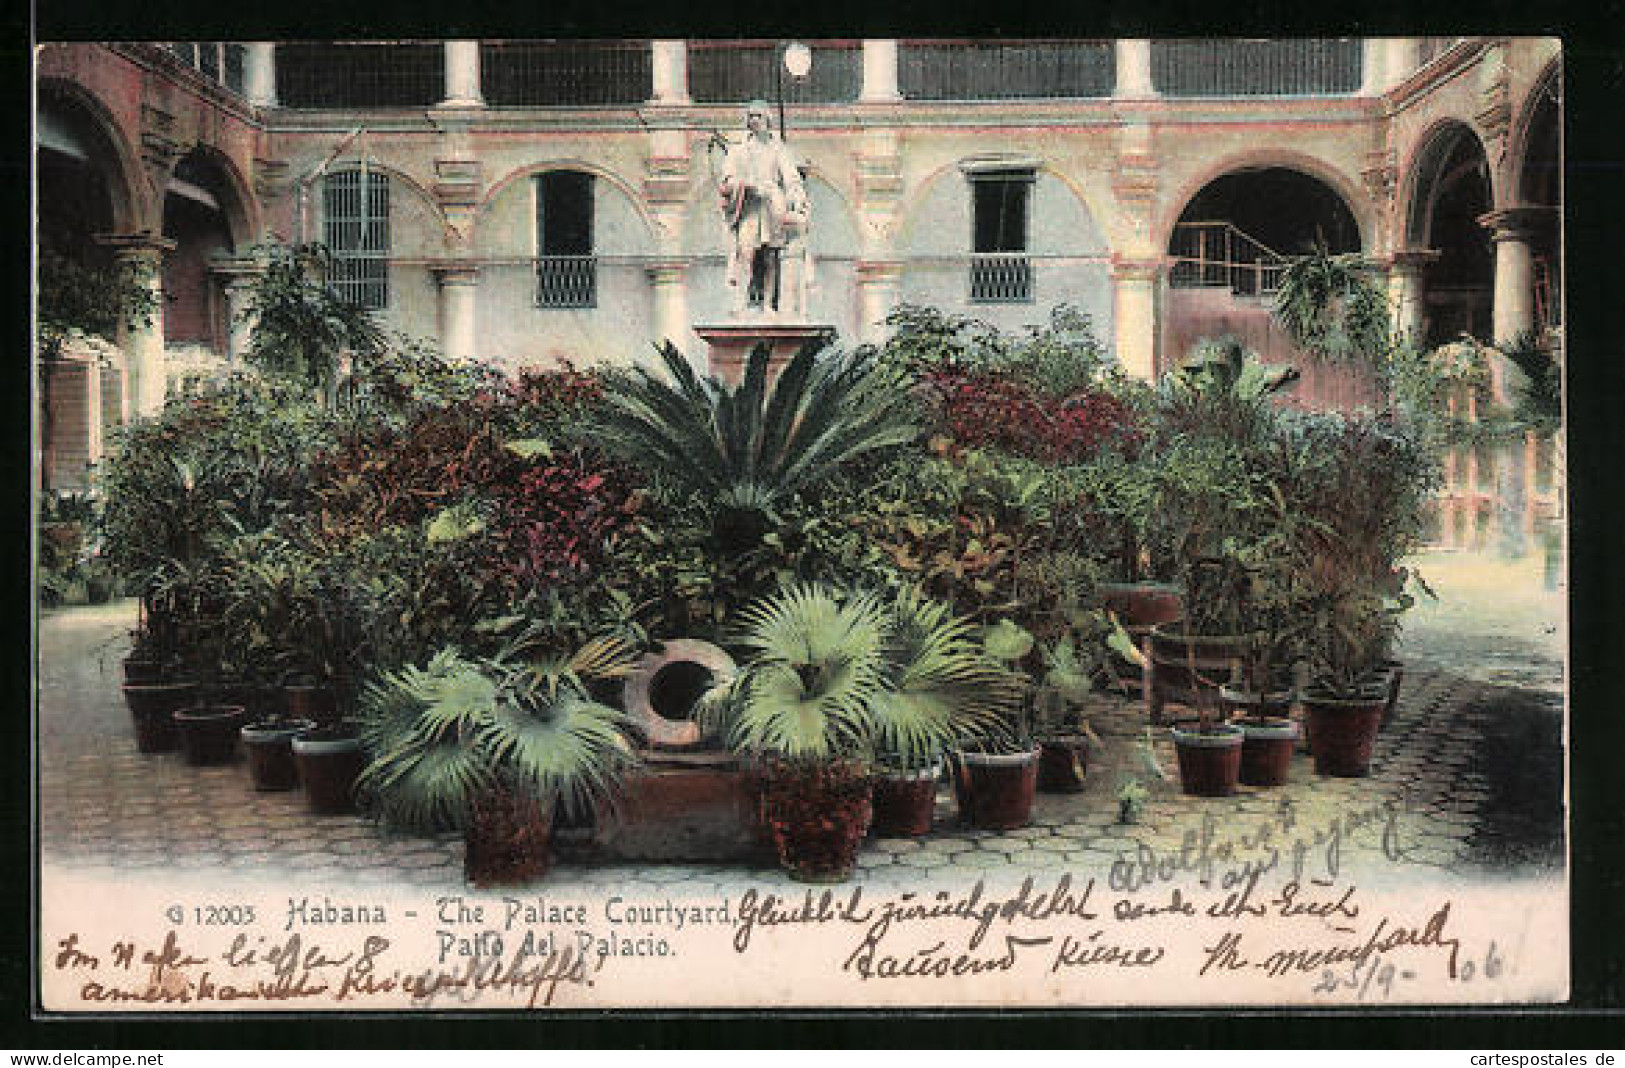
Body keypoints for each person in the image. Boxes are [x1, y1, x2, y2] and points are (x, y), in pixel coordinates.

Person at [716, 100, 807, 317]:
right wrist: (746, 185)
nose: (755, 120)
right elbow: (726, 182)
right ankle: (741, 302)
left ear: (768, 119)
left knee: (770, 256)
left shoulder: (778, 149)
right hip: (749, 207)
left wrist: (794, 195)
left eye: (759, 116)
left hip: (773, 206)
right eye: (751, 116)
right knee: (746, 253)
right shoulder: (738, 151)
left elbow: (792, 179)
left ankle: (768, 304)